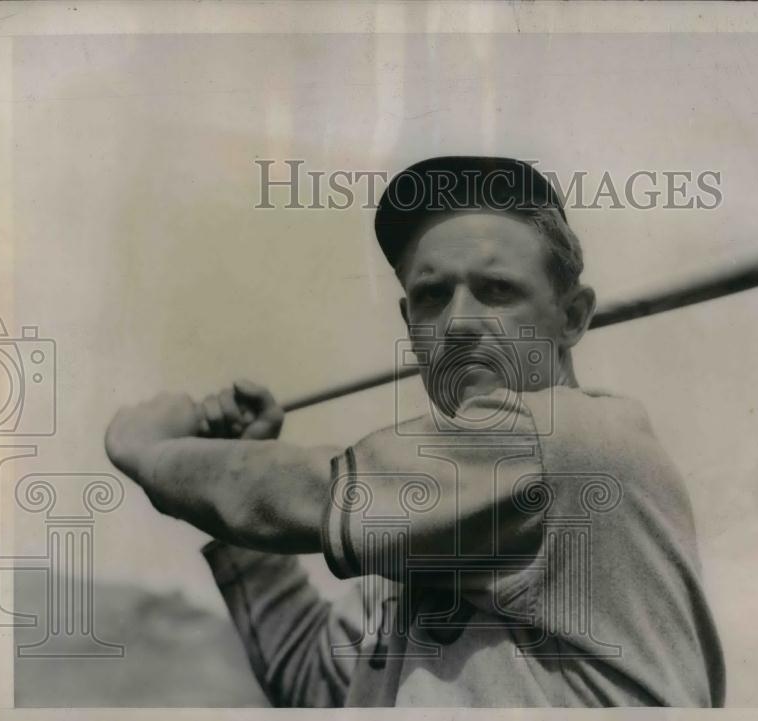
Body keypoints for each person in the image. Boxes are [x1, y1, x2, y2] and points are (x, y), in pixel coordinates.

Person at [104, 156, 726, 707]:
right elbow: (317, 684)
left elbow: (302, 496)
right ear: (409, 323)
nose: (458, 323)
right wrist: (238, 465)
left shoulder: (569, 439)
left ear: (572, 317)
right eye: (431, 296)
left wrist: (149, 450)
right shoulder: (431, 529)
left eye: (496, 290)